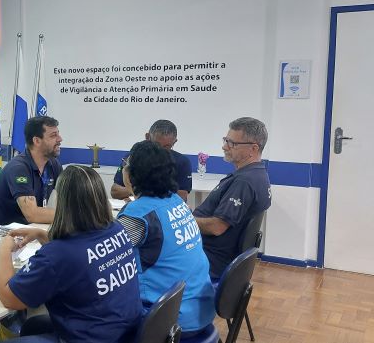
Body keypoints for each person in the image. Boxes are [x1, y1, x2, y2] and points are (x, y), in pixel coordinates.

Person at [0, 165, 143, 343]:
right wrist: (43, 235)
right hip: (124, 332)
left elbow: (10, 299)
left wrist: (3, 250)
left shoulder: (58, 254)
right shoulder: (117, 229)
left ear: (63, 202)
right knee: (33, 325)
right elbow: (79, 260)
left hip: (93, 336)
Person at [116, 140, 215, 337]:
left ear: (133, 174)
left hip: (165, 320)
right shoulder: (176, 201)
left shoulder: (138, 215)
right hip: (199, 308)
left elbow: (100, 252)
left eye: (126, 164)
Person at [194, 117, 272, 279]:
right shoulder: (257, 174)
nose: (224, 146)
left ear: (253, 148)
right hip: (215, 254)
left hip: (208, 258)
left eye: (232, 143)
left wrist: (185, 220)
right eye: (225, 140)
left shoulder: (244, 182)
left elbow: (217, 227)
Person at [0, 116, 63, 234]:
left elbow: (69, 196)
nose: (60, 139)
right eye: (53, 136)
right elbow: (32, 214)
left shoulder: (53, 164)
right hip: (6, 236)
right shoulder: (18, 168)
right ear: (37, 141)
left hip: (33, 230)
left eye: (58, 134)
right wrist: (72, 216)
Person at [112, 120, 192, 202]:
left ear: (174, 142)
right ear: (147, 137)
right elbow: (115, 191)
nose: (160, 151)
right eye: (156, 145)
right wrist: (141, 193)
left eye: (167, 147)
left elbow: (181, 197)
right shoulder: (133, 158)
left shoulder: (182, 162)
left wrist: (139, 192)